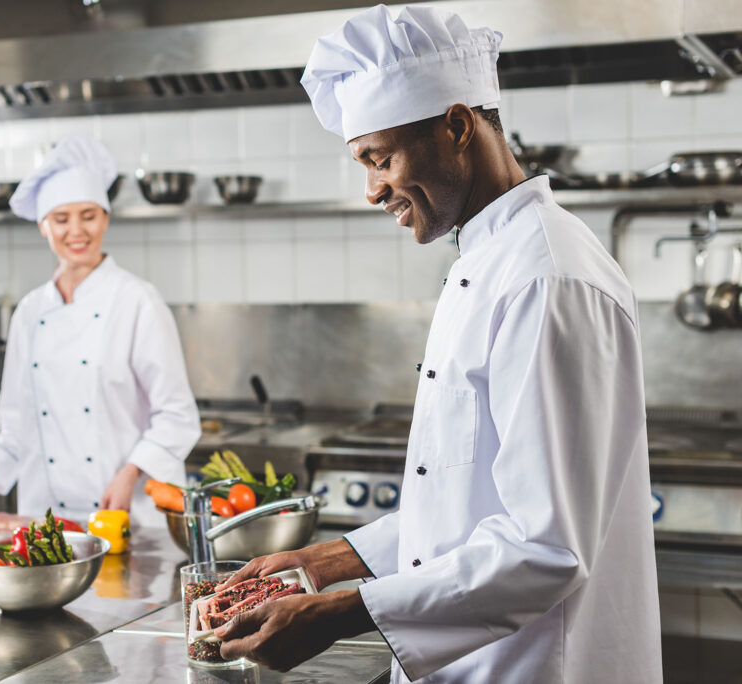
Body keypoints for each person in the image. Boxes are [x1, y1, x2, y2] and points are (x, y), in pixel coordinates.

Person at [213, 5, 661, 682]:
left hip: (535, 667)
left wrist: (338, 613)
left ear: (456, 126)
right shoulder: (487, 257)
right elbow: (465, 508)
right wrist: (332, 560)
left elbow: (544, 548)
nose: (371, 190)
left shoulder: (546, 276)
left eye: (379, 157)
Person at [0, 136, 201, 527]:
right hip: (47, 521)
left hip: (126, 515)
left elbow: (177, 415)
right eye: (61, 218)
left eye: (88, 215)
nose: (76, 231)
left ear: (105, 218)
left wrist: (131, 472)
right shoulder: (30, 312)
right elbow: (17, 428)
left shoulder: (137, 302)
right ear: (43, 226)